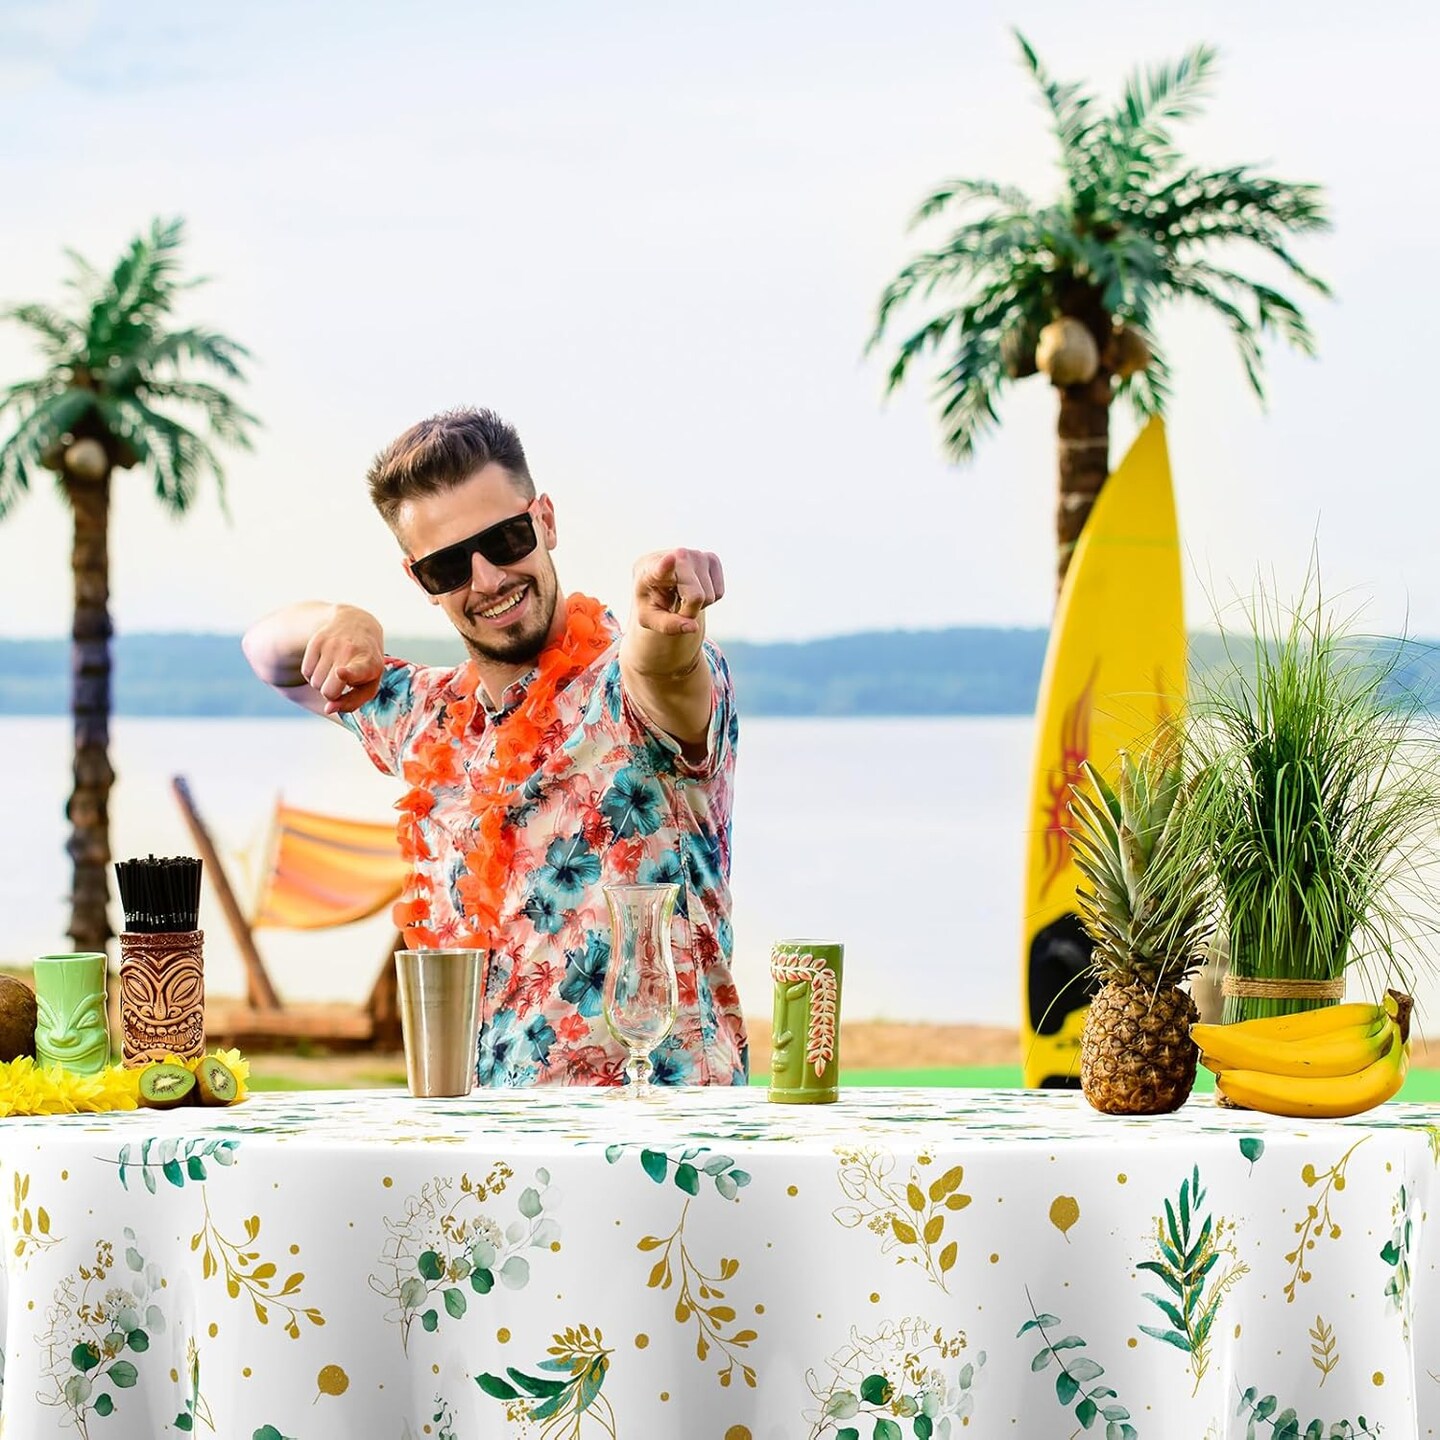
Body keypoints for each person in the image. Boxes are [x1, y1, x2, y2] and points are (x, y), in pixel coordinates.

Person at [242, 408, 745, 1087]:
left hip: (657, 1134)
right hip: (485, 1137)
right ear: (420, 581)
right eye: (448, 565)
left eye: (505, 540)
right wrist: (341, 619)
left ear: (546, 522)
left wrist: (662, 626)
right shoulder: (426, 719)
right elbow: (267, 654)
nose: (485, 580)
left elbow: (664, 672)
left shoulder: (625, 699)